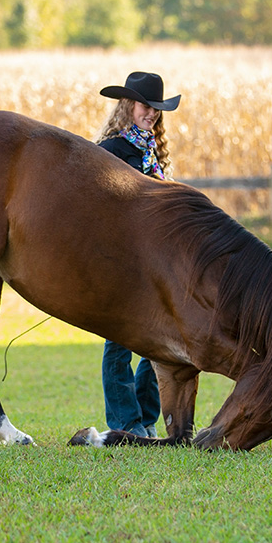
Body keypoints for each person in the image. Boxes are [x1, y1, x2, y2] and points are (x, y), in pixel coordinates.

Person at [95, 71, 181, 438]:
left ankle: (145, 418)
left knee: (153, 342)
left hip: (154, 262)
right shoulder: (110, 151)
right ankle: (124, 421)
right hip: (121, 260)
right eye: (147, 106)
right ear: (128, 105)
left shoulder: (152, 151)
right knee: (120, 341)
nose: (152, 114)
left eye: (157, 109)